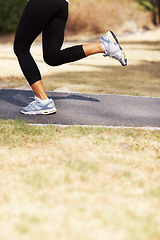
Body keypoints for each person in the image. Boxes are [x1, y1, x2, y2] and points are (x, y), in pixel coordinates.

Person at [14, 0, 127, 115]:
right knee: (52, 57)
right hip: (61, 4)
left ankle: (43, 101)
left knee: (21, 48)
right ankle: (102, 46)